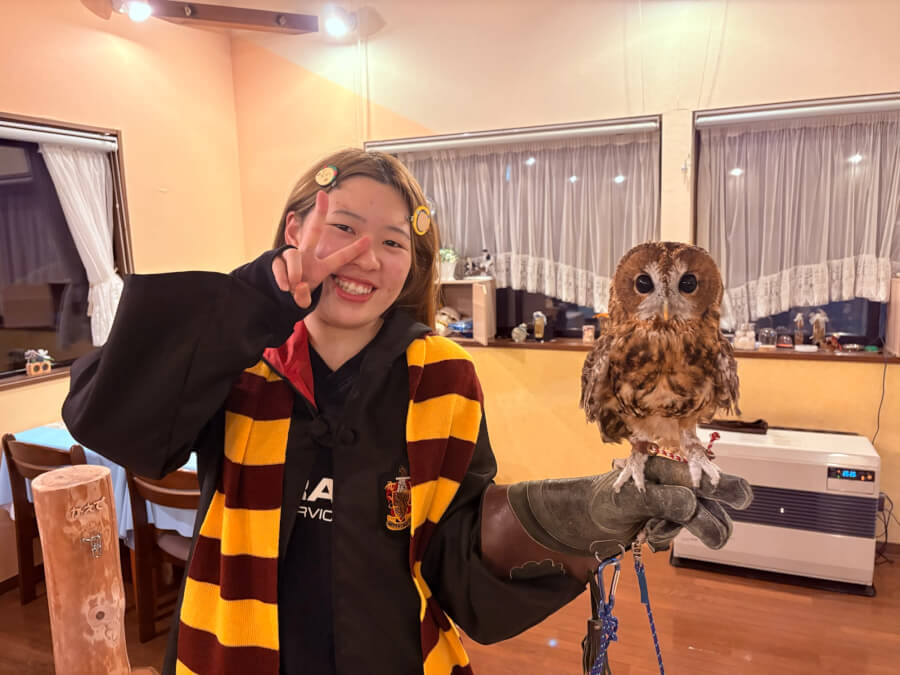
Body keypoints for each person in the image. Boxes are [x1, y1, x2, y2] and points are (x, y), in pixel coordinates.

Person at [62, 149, 751, 675]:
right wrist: (253, 299)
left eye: (393, 241)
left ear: (414, 263)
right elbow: (106, 416)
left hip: (397, 654)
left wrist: (584, 516)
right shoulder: (235, 357)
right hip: (230, 652)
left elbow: (456, 547)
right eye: (343, 228)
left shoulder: (444, 376)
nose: (364, 256)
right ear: (295, 229)